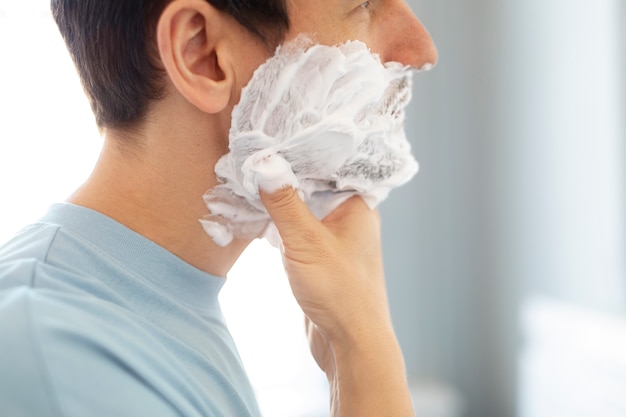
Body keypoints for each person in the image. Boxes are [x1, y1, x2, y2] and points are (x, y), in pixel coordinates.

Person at [0, 0, 437, 416]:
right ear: (201, 54)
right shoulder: (61, 357)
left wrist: (354, 347)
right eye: (363, 4)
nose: (421, 50)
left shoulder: (158, 308)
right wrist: (368, 353)